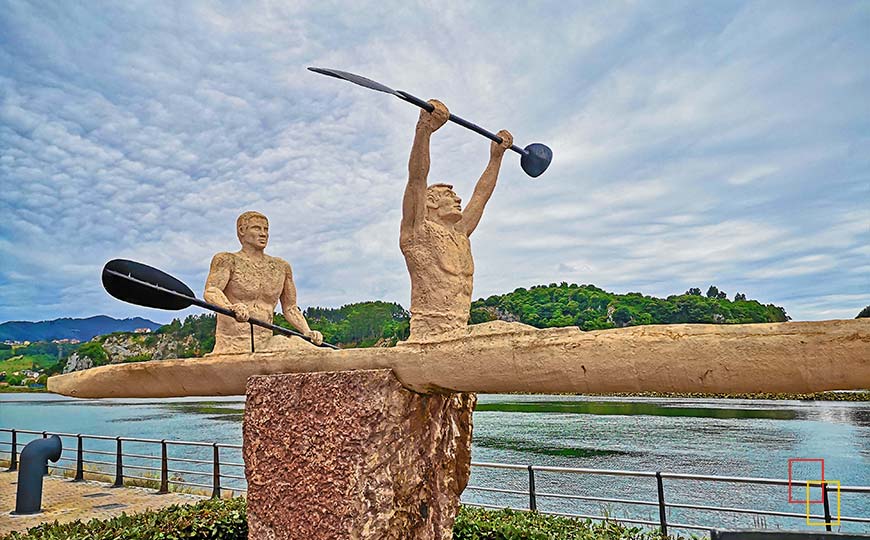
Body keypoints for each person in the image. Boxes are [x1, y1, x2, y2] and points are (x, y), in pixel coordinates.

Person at [400, 99, 513, 342]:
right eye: (448, 194)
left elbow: (481, 195)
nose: (458, 198)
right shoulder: (417, 231)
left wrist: (496, 157)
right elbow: (417, 179)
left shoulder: (460, 235)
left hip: (458, 332)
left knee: (511, 332)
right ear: (429, 202)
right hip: (428, 336)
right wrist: (425, 129)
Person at [204, 211, 323, 354]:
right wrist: (230, 307)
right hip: (233, 343)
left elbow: (290, 307)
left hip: (266, 342)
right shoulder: (226, 260)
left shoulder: (281, 267)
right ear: (242, 231)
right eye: (256, 228)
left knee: (304, 348)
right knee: (299, 350)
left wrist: (307, 331)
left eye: (266, 229)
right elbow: (211, 291)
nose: (263, 234)